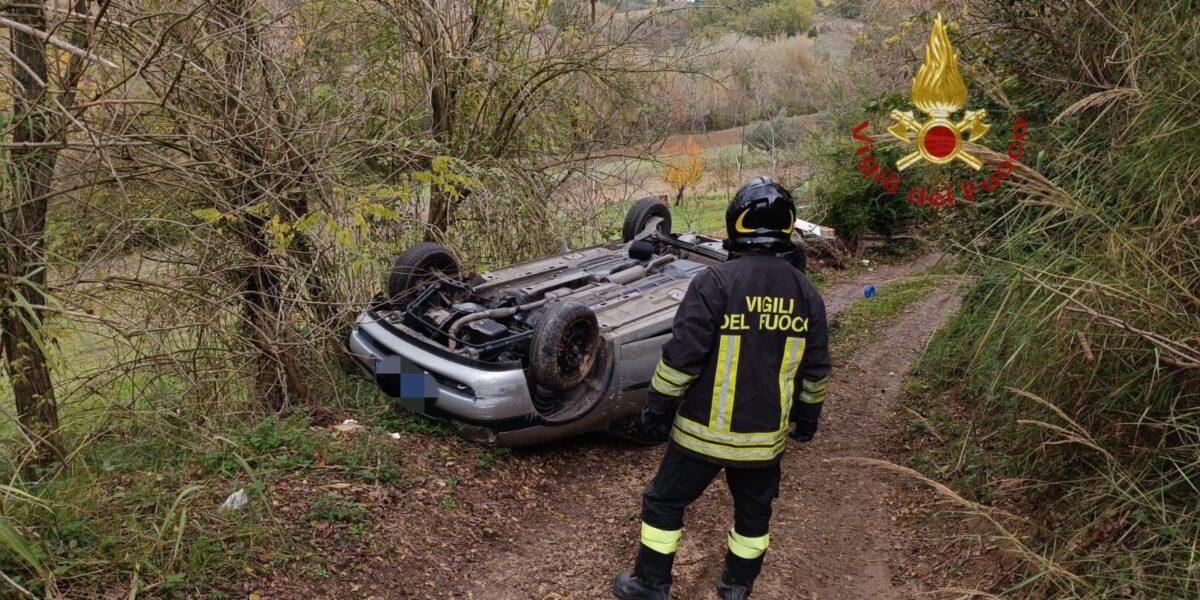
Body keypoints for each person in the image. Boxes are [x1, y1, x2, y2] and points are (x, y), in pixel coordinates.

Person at [612, 177, 831, 600]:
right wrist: (807, 421)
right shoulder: (807, 294)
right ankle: (736, 588)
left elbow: (680, 359)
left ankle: (651, 584)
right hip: (763, 443)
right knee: (753, 518)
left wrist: (656, 411)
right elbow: (816, 371)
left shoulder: (714, 283)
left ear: (737, 224)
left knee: (663, 502)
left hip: (700, 436)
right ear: (786, 228)